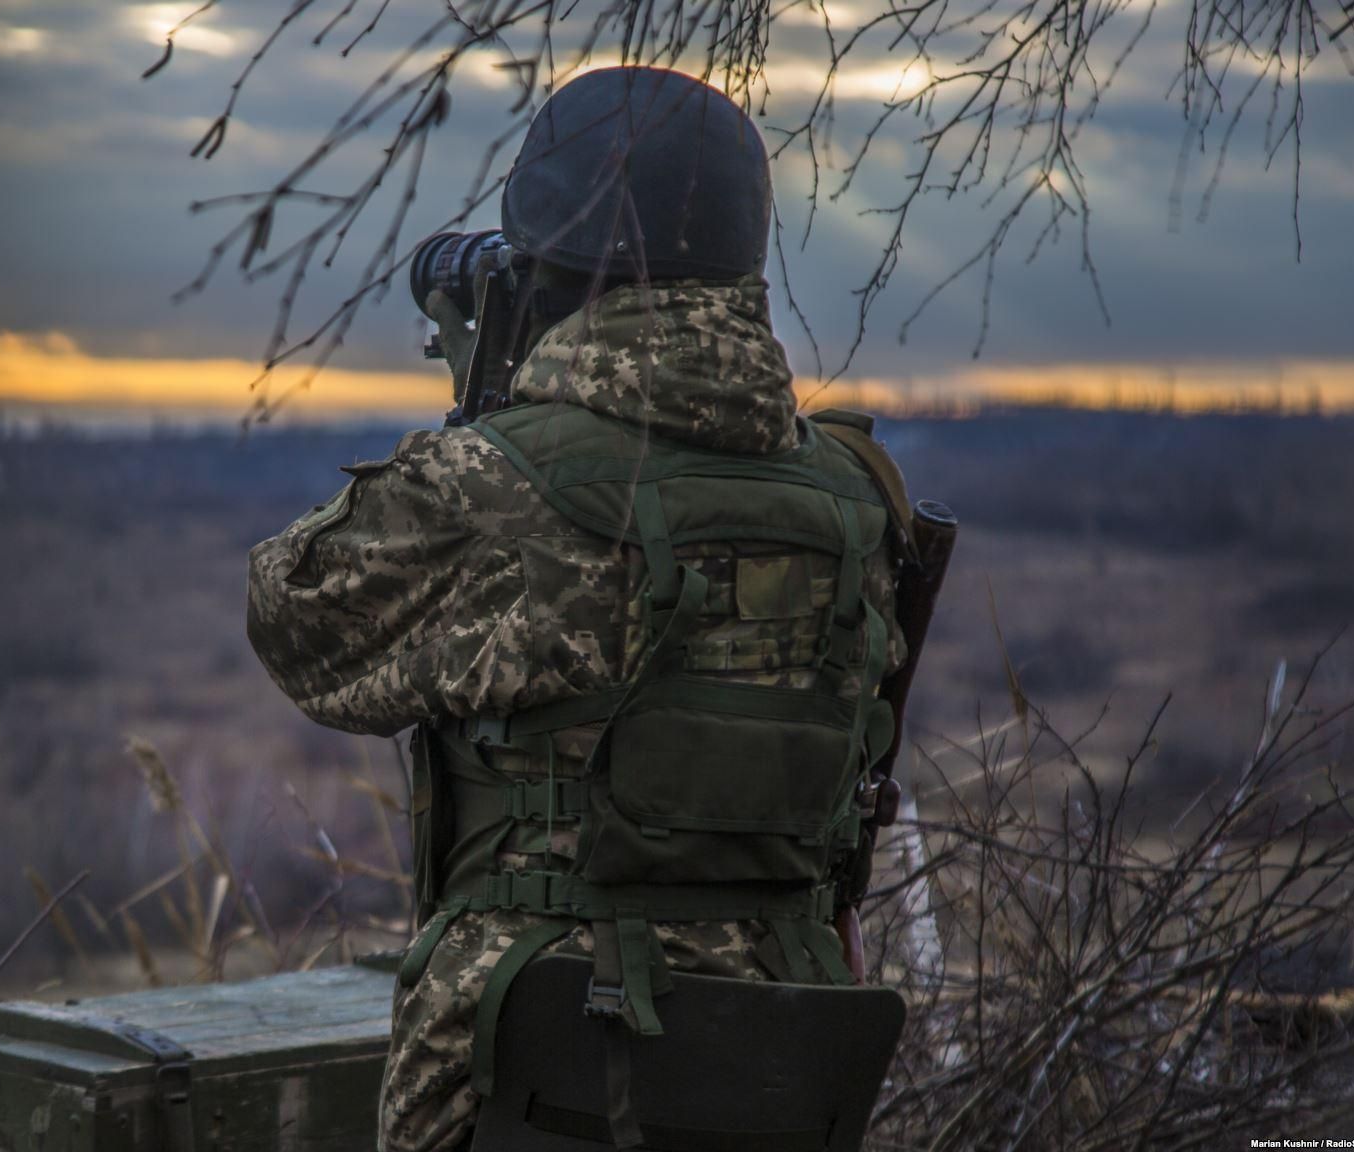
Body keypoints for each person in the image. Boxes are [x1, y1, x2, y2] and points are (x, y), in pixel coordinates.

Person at [247, 66, 911, 1152]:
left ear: (556, 260)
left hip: (536, 1048)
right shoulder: (853, 499)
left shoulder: (496, 487)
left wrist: (482, 416)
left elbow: (295, 618)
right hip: (783, 1042)